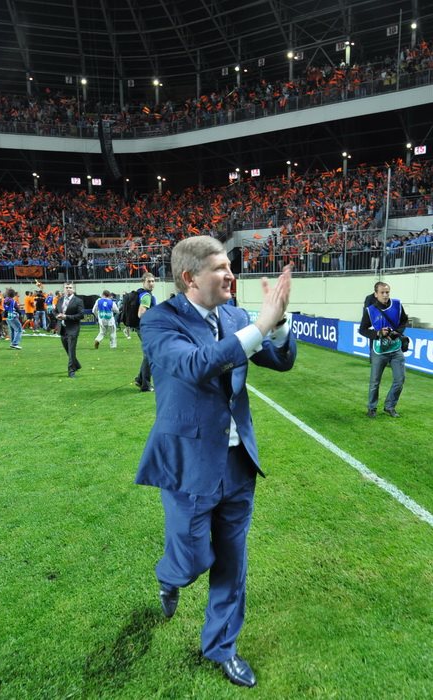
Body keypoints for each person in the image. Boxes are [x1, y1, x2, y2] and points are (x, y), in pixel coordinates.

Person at [135, 236, 296, 688]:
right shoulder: (160, 321)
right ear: (190, 277)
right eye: (221, 268)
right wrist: (260, 324)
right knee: (192, 561)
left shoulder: (236, 317)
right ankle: (171, 576)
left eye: (230, 266)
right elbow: (195, 364)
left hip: (238, 463)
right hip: (188, 463)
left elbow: (279, 360)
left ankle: (222, 647)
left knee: (232, 562)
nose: (231, 275)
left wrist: (278, 324)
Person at [359, 281, 408, 418]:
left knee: (400, 379)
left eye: (387, 292)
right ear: (376, 294)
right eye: (382, 292)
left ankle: (390, 406)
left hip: (396, 349)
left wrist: (397, 332)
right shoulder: (370, 310)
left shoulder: (397, 304)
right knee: (375, 382)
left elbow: (404, 320)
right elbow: (362, 329)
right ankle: (372, 408)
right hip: (379, 351)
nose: (385, 295)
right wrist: (378, 333)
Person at [54, 282, 84, 378]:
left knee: (71, 350)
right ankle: (77, 365)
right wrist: (57, 315)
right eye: (66, 287)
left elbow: (81, 315)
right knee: (68, 350)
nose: (68, 289)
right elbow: (55, 311)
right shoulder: (60, 300)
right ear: (64, 289)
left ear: (73, 289)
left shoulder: (78, 301)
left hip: (73, 329)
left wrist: (66, 317)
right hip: (62, 328)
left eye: (70, 287)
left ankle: (71, 371)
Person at [135, 272, 156, 392]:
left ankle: (140, 379)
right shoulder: (146, 296)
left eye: (153, 281)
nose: (151, 283)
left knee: (148, 355)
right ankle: (146, 385)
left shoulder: (141, 293)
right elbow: (141, 314)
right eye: (149, 281)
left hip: (143, 328)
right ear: (143, 282)